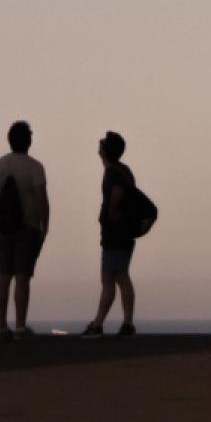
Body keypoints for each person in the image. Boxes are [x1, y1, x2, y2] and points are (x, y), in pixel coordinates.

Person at [0, 119, 50, 336]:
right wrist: (44, 226)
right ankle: (20, 325)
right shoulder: (35, 167)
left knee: (3, 276)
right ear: (28, 141)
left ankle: (2, 325)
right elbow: (42, 200)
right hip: (28, 227)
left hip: (3, 229)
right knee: (22, 277)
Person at [86, 130, 140, 336]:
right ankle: (122, 322)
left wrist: (111, 213)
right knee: (119, 276)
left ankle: (99, 324)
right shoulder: (124, 170)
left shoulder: (112, 173)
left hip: (115, 233)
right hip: (124, 232)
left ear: (106, 151)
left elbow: (117, 193)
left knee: (112, 278)